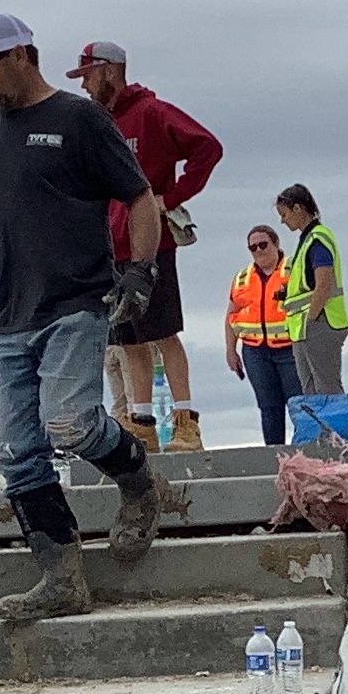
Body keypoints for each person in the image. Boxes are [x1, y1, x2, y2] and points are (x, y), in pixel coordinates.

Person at [0, 11, 170, 619]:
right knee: (18, 454)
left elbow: (140, 197)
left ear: (23, 55)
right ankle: (62, 578)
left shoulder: (79, 119)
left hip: (76, 301)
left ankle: (138, 480)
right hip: (9, 315)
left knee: (70, 425)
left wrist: (141, 269)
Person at [69, 43, 224, 453]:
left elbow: (207, 147)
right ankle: (143, 425)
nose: (83, 85)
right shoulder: (99, 122)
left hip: (149, 246)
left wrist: (168, 199)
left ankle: (186, 424)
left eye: (87, 75)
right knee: (127, 339)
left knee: (163, 333)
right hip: (109, 248)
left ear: (108, 71)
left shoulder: (152, 113)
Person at [225, 223, 306, 445]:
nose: (259, 250)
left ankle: (305, 450)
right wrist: (230, 351)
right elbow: (231, 314)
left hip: (289, 348)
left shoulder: (295, 269)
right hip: (255, 351)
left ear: (276, 243)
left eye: (263, 244)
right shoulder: (242, 278)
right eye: (253, 247)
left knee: (298, 402)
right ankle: (274, 454)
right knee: (268, 406)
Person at [277, 184, 348, 397]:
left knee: (327, 389)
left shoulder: (318, 239)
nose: (282, 220)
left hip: (321, 323)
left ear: (297, 209)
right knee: (311, 392)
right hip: (305, 327)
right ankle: (319, 431)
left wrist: (311, 318)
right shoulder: (307, 240)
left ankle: (333, 430)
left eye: (284, 214)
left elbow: (324, 283)